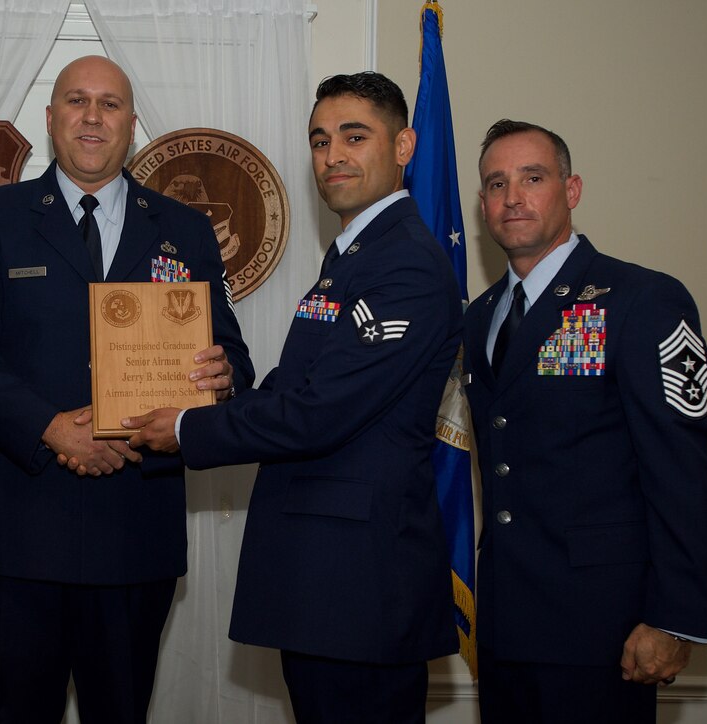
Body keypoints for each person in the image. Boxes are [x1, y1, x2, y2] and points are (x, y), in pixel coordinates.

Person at [125, 71, 461, 723]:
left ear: (404, 146)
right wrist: (218, 394)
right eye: (319, 139)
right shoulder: (353, 259)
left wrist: (190, 428)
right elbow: (298, 389)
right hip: (326, 584)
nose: (332, 155)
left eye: (354, 136)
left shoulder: (408, 265)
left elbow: (320, 413)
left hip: (361, 588)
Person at [0, 55, 253, 723]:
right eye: (77, 101)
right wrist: (51, 426)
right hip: (21, 531)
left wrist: (223, 380)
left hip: (136, 533)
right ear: (51, 120)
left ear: (132, 124)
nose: (94, 116)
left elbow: (234, 362)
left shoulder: (185, 230)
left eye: (110, 104)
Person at [463, 119, 707, 723]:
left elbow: (682, 470)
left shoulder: (640, 300)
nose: (513, 197)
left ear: (571, 190)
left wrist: (673, 617)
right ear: (482, 205)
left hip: (604, 630)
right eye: (496, 184)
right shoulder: (478, 320)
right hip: (505, 627)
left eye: (533, 178)